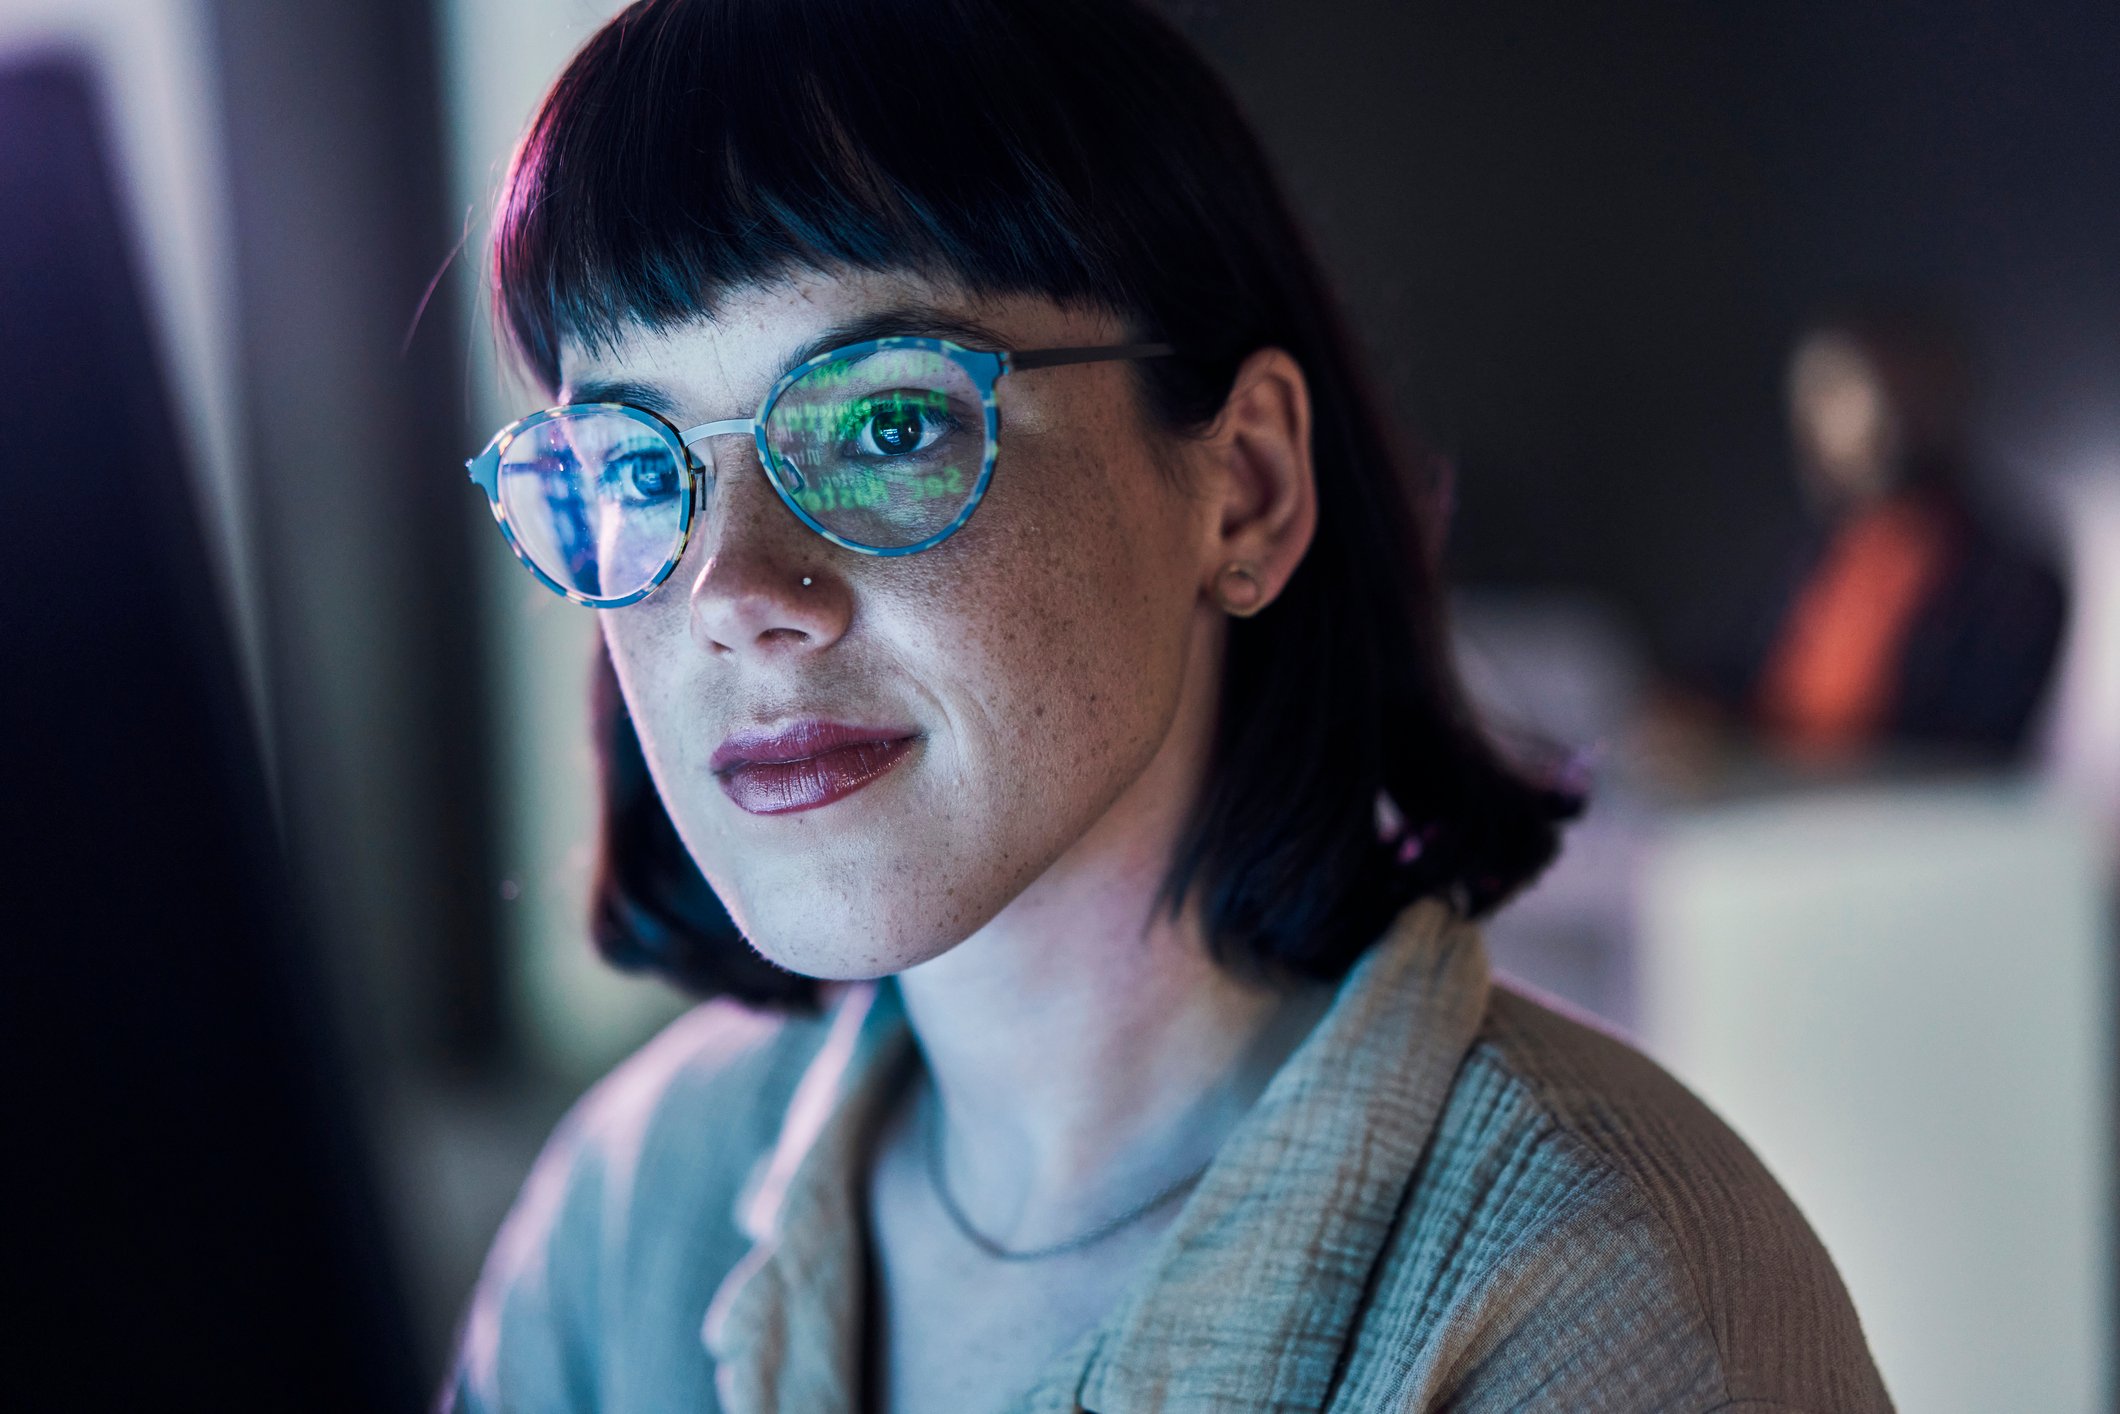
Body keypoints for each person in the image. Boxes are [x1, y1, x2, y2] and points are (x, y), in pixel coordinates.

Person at [446, 2, 1892, 1409]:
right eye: (637, 467)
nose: (731, 588)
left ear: (1243, 486)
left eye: (889, 422)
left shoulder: (1594, 1293)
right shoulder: (631, 1210)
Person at [1674, 305, 2068, 768]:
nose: (1810, 421)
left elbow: (1967, 752)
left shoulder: (2012, 582)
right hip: (1764, 812)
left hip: (1898, 826)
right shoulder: (1803, 554)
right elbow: (1726, 676)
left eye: (1837, 392)